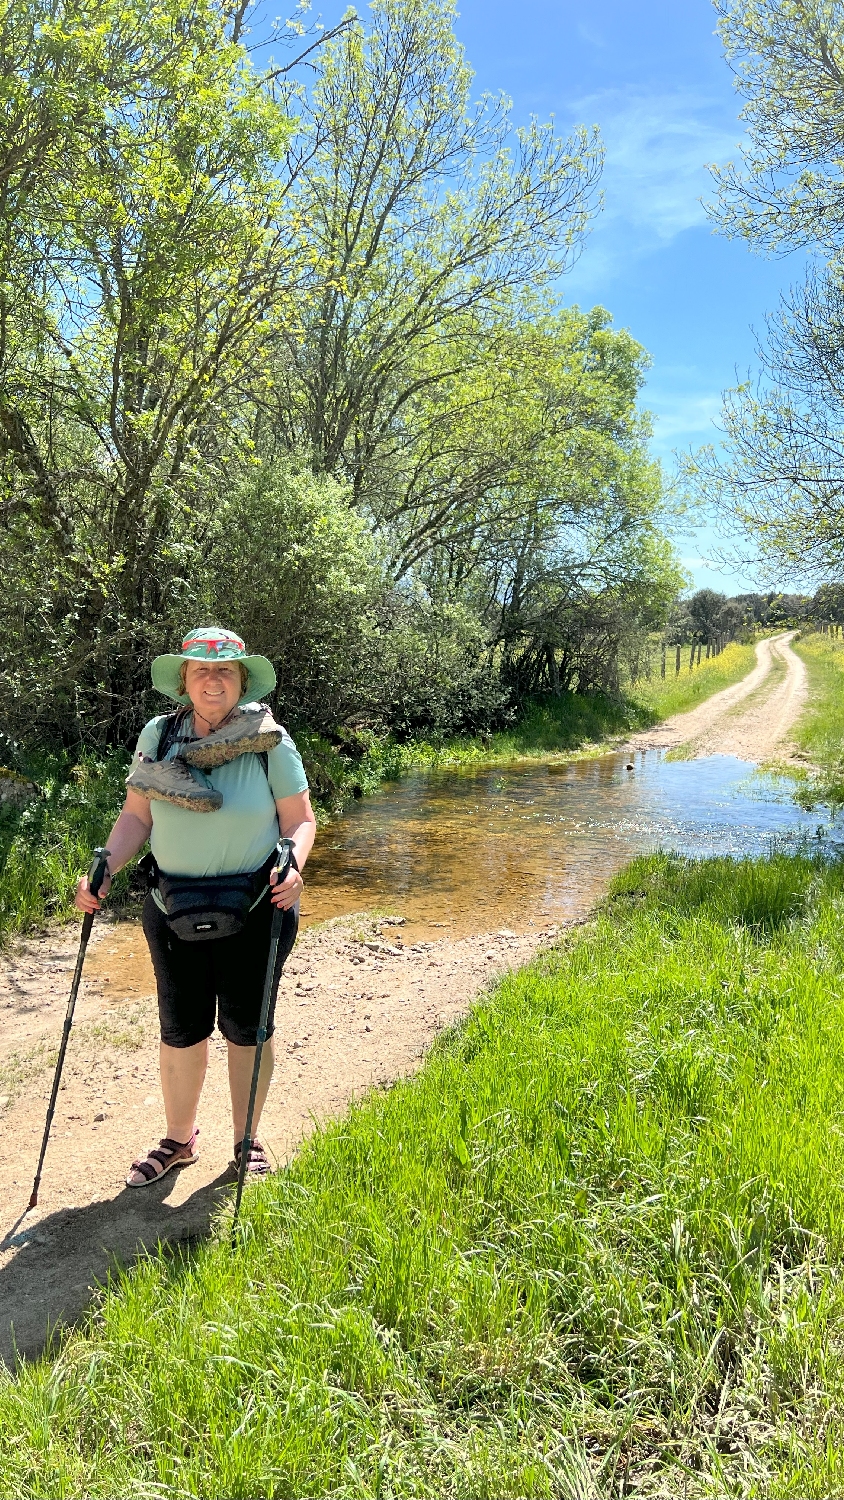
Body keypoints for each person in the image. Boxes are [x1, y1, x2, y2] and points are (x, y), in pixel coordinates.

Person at [75, 627, 316, 1185]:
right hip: (170, 904)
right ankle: (178, 1141)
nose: (213, 679)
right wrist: (106, 865)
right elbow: (137, 816)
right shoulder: (158, 735)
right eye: (201, 669)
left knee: (246, 1028)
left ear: (241, 680)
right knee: (180, 1027)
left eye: (225, 670)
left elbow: (299, 820)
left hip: (258, 903)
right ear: (183, 679)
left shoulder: (271, 741)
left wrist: (294, 865)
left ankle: (246, 1141)